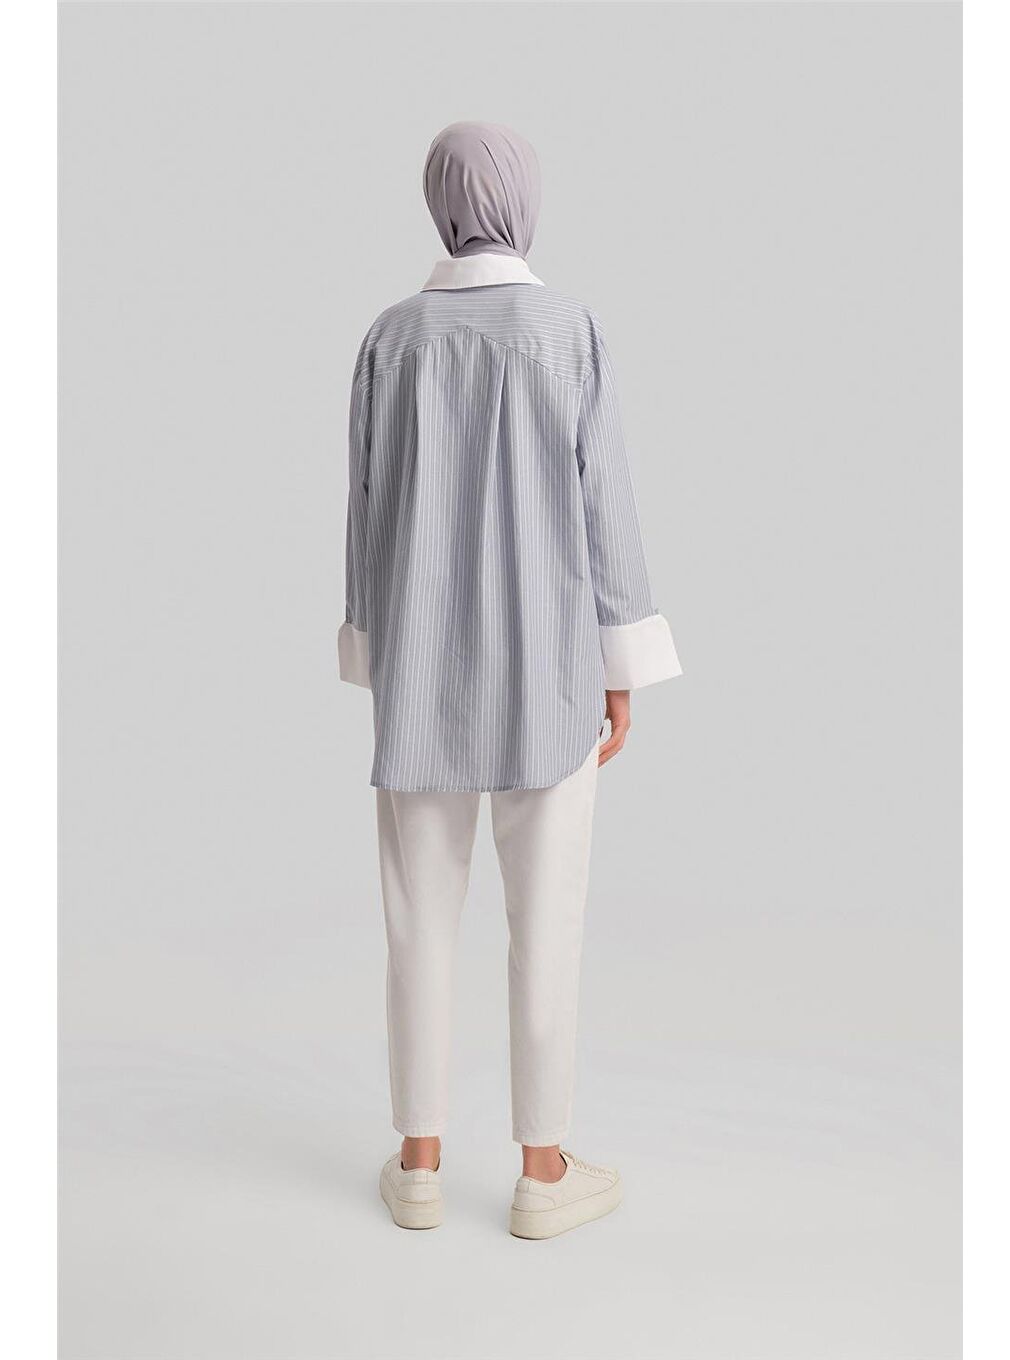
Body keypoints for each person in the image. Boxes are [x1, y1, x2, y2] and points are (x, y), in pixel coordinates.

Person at [338, 121, 681, 1238]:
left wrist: (372, 652)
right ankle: (542, 1171)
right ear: (524, 201)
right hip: (551, 674)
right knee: (549, 923)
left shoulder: (390, 339)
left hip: (419, 673)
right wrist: (622, 664)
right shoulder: (568, 330)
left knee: (416, 925)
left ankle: (419, 1164)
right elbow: (606, 507)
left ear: (438, 204)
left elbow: (366, 513)